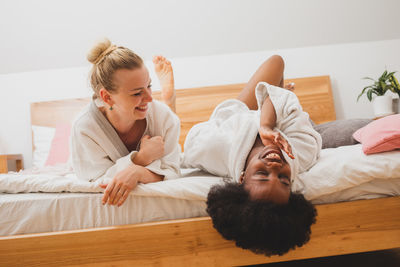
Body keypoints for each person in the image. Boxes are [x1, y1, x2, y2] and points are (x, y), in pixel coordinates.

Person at [182, 55, 321, 256]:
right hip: (283, 122)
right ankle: (278, 103)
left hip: (236, 117)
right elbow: (280, 97)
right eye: (284, 179)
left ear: (241, 179)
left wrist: (262, 123)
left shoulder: (213, 148)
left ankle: (276, 101)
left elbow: (191, 145)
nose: (274, 166)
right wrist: (269, 121)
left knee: (274, 68)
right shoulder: (303, 150)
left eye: (262, 175)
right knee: (278, 64)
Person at [71, 38, 180, 207]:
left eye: (149, 86)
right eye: (137, 93)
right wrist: (141, 159)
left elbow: (173, 171)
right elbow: (96, 181)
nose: (150, 98)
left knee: (167, 116)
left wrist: (137, 172)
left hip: (165, 116)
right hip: (79, 159)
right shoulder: (85, 128)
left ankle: (169, 101)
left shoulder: (163, 118)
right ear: (107, 97)